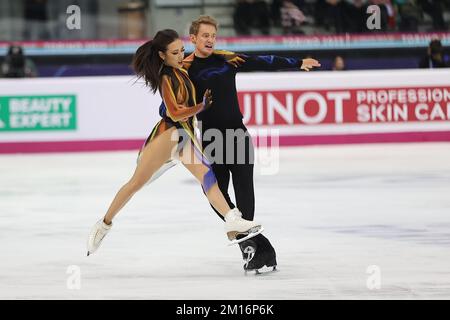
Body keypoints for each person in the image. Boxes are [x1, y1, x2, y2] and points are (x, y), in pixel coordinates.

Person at [86, 29, 263, 256]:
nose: (180, 56)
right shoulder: (166, 77)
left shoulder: (180, 70)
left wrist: (222, 55)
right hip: (169, 134)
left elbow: (198, 59)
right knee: (136, 183)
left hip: (184, 134)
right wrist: (200, 107)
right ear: (162, 55)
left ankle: (232, 220)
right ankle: (104, 224)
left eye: (182, 51)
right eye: (174, 53)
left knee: (207, 176)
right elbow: (175, 112)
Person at [181, 16, 320, 273]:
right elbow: (173, 104)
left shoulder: (226, 59)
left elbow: (263, 61)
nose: (210, 40)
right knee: (216, 196)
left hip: (237, 134)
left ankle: (252, 251)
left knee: (245, 196)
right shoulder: (184, 69)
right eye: (204, 36)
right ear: (192, 38)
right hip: (211, 140)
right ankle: (261, 246)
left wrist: (297, 63)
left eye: (213, 35)